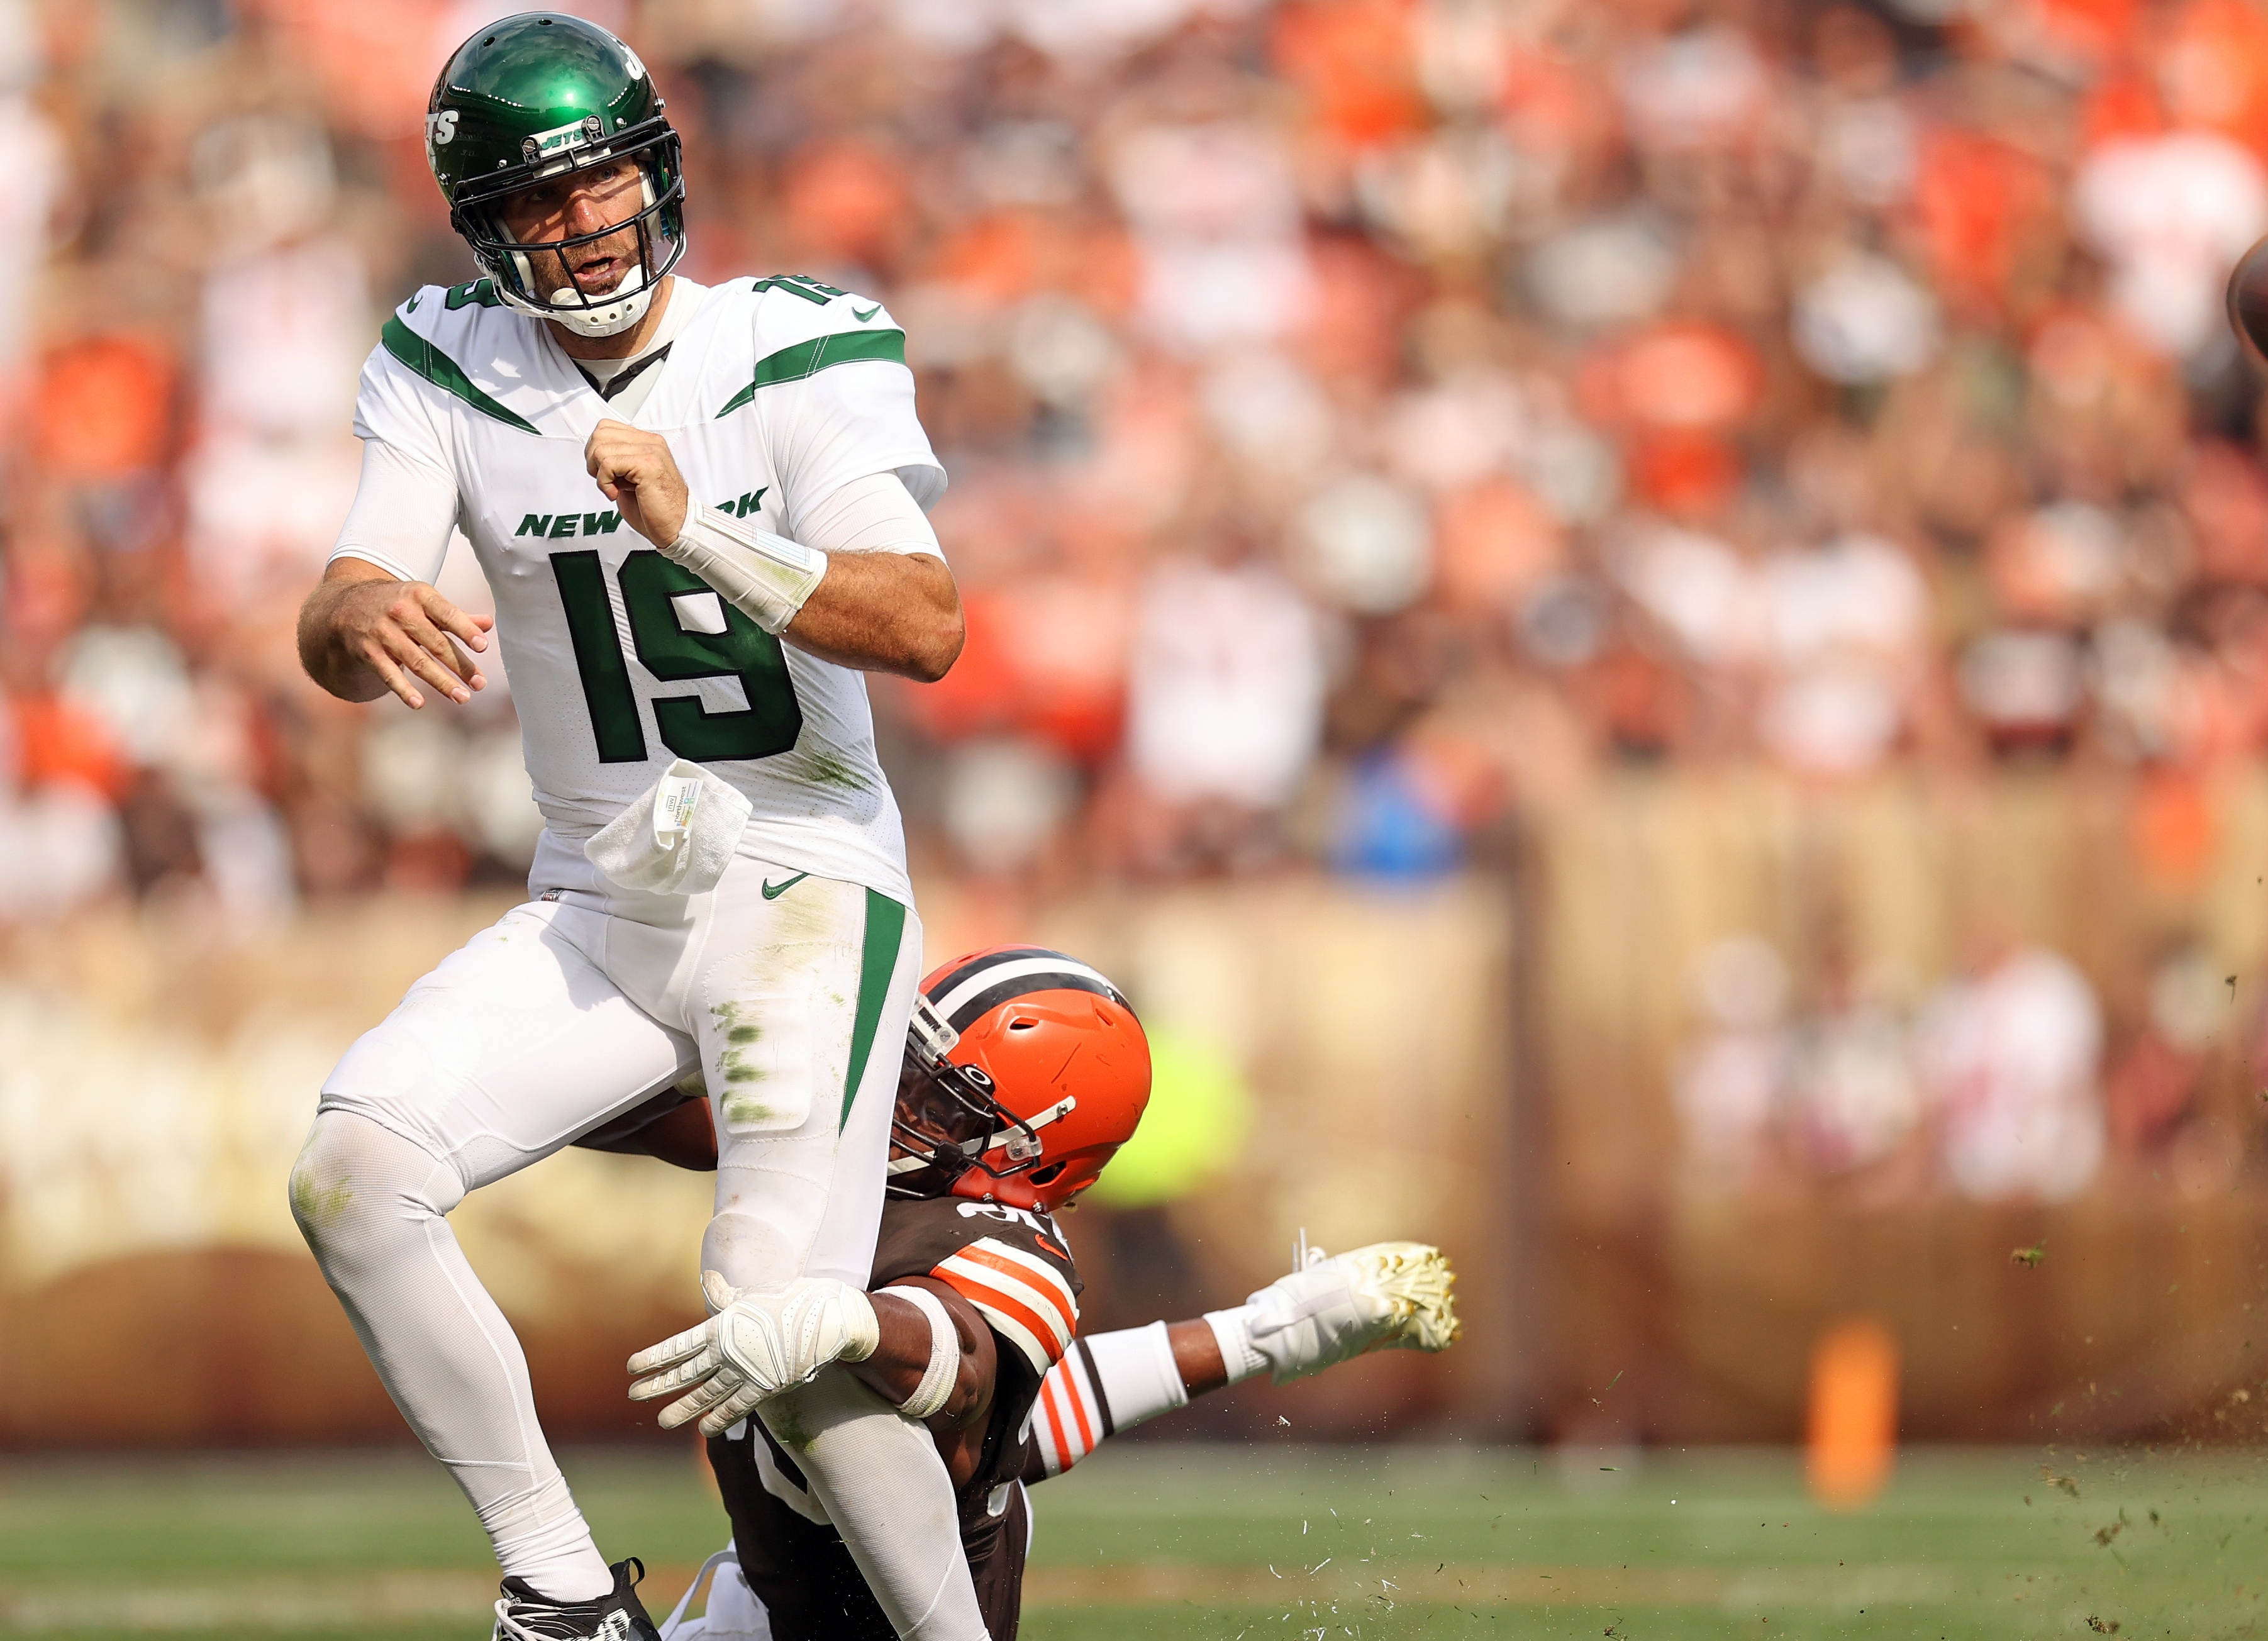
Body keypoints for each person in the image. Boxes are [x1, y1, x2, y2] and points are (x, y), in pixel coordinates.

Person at [286, 15, 976, 1640]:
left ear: (659, 173)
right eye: (540, 201)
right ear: (481, 222)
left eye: (602, 183)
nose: (584, 223)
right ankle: (565, 1589)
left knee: (775, 1323)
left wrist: (701, 531)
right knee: (353, 1171)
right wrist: (357, 619)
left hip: (803, 891)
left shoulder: (796, 343)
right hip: (603, 905)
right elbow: (341, 595)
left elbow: (928, 623)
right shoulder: (449, 356)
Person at [584, 947, 1460, 1640]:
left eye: (938, 1096)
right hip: (781, 1577)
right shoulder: (890, 1169)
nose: (898, 1099)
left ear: (1027, 1151)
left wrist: (850, 1320)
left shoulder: (1016, 1252)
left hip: (869, 1618)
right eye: (909, 1065)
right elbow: (608, 1103)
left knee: (847, 1388)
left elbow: (956, 1361)